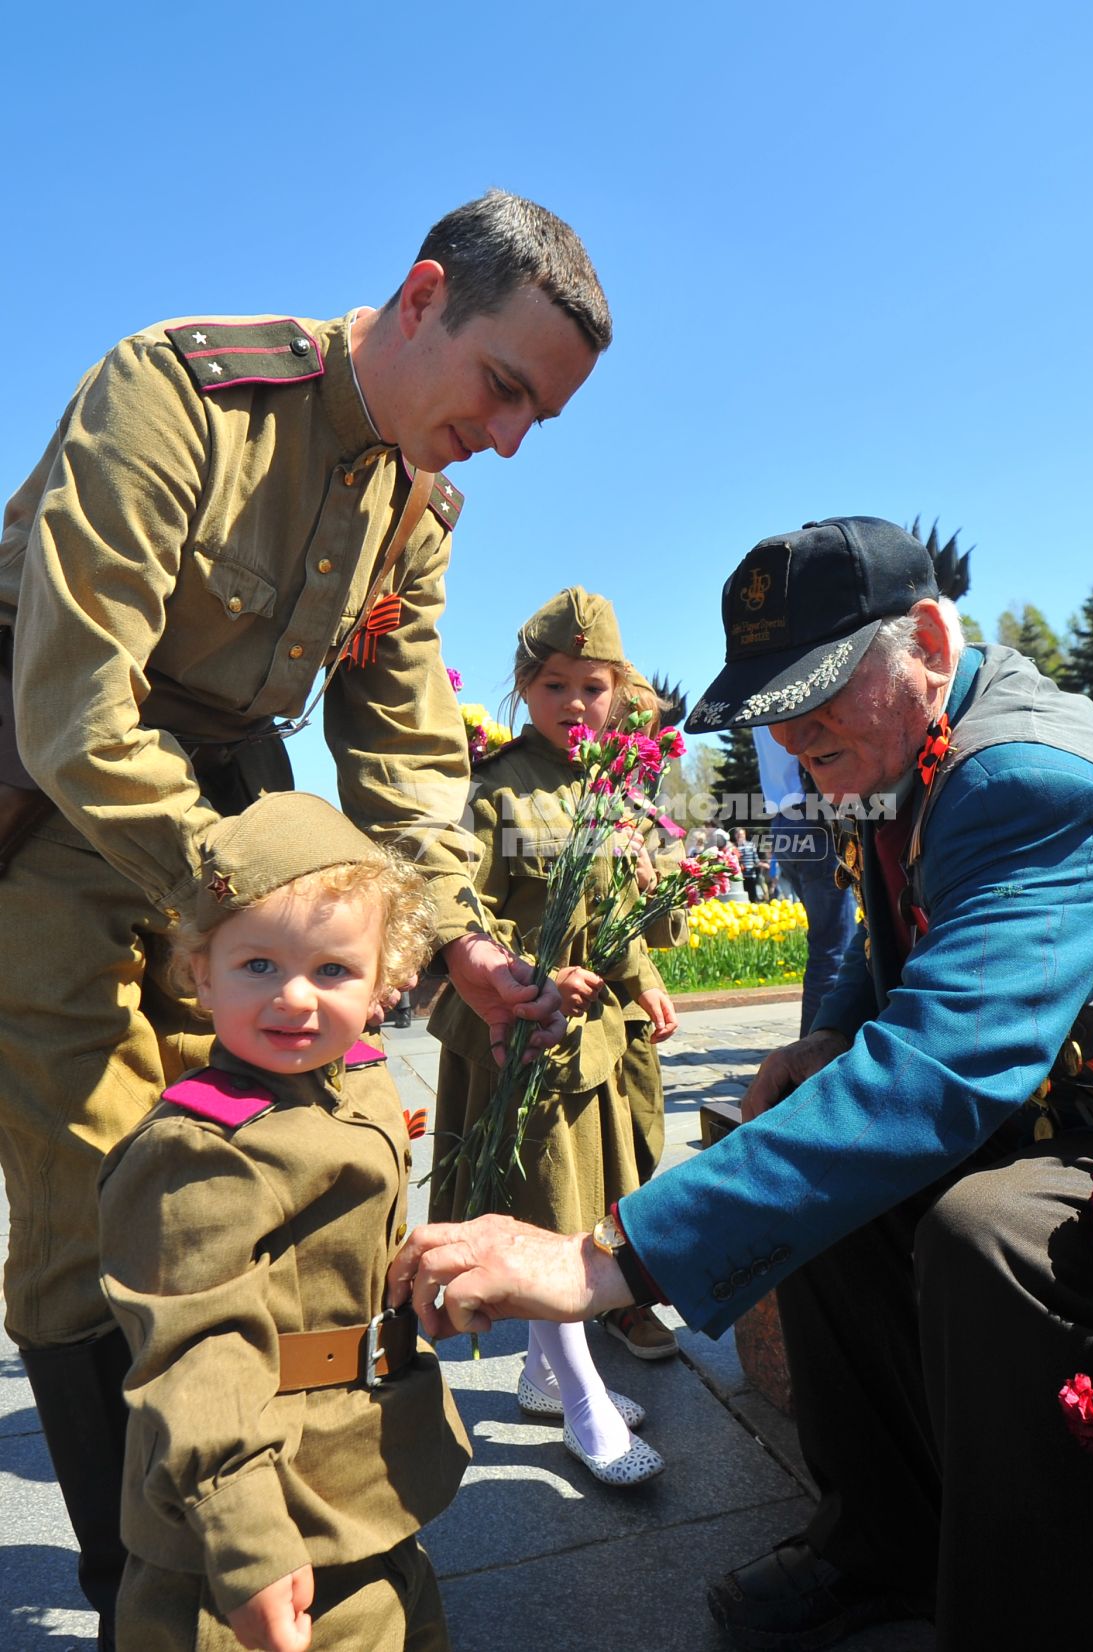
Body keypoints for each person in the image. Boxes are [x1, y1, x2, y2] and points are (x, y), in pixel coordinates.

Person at [394, 517, 1093, 1652]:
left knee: (993, 1233)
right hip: (1061, 1101)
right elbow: (904, 959)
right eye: (776, 700)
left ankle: (1047, 1620)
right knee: (820, 1160)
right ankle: (884, 1540)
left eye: (817, 695)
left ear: (922, 635)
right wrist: (821, 1046)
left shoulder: (1021, 774)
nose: (794, 733)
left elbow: (947, 1064)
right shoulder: (906, 740)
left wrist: (601, 1256)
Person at [0, 188, 608, 1646]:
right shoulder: (180, 392)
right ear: (419, 300)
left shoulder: (415, 496)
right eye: (502, 386)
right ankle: (137, 1579)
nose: (509, 436)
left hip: (239, 831)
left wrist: (456, 937)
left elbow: (400, 751)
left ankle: (289, 1534)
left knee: (271, 1178)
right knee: (96, 1202)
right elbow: (74, 711)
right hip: (62, 822)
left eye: (542, 416)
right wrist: (259, 910)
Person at [98, 792, 470, 1652]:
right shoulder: (201, 1150)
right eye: (257, 965)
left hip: (360, 1477)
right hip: (255, 1521)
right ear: (198, 971)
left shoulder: (356, 1078)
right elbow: (198, 1353)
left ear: (386, 980)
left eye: (334, 971)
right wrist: (249, 1545)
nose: (295, 1000)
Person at [427, 587, 666, 1484]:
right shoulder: (491, 793)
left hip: (597, 1039)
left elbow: (619, 912)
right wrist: (530, 974)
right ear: (524, 687)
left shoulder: (612, 789)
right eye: (555, 683)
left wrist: (644, 979)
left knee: (582, 1202)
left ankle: (539, 1370)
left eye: (594, 686)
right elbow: (460, 917)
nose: (576, 703)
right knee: (546, 1210)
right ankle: (582, 1402)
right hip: (524, 1035)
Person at [599, 670, 682, 1359]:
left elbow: (653, 921)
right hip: (581, 1002)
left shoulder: (636, 808)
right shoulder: (574, 801)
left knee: (647, 1133)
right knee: (609, 1153)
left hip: (628, 1007)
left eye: (641, 736)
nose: (635, 746)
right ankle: (621, 1296)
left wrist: (670, 879)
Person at [752, 727, 857, 1036]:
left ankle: (813, 1045)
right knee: (834, 949)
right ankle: (815, 1053)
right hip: (812, 817)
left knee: (826, 946)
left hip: (784, 822)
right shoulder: (790, 692)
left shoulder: (758, 699)